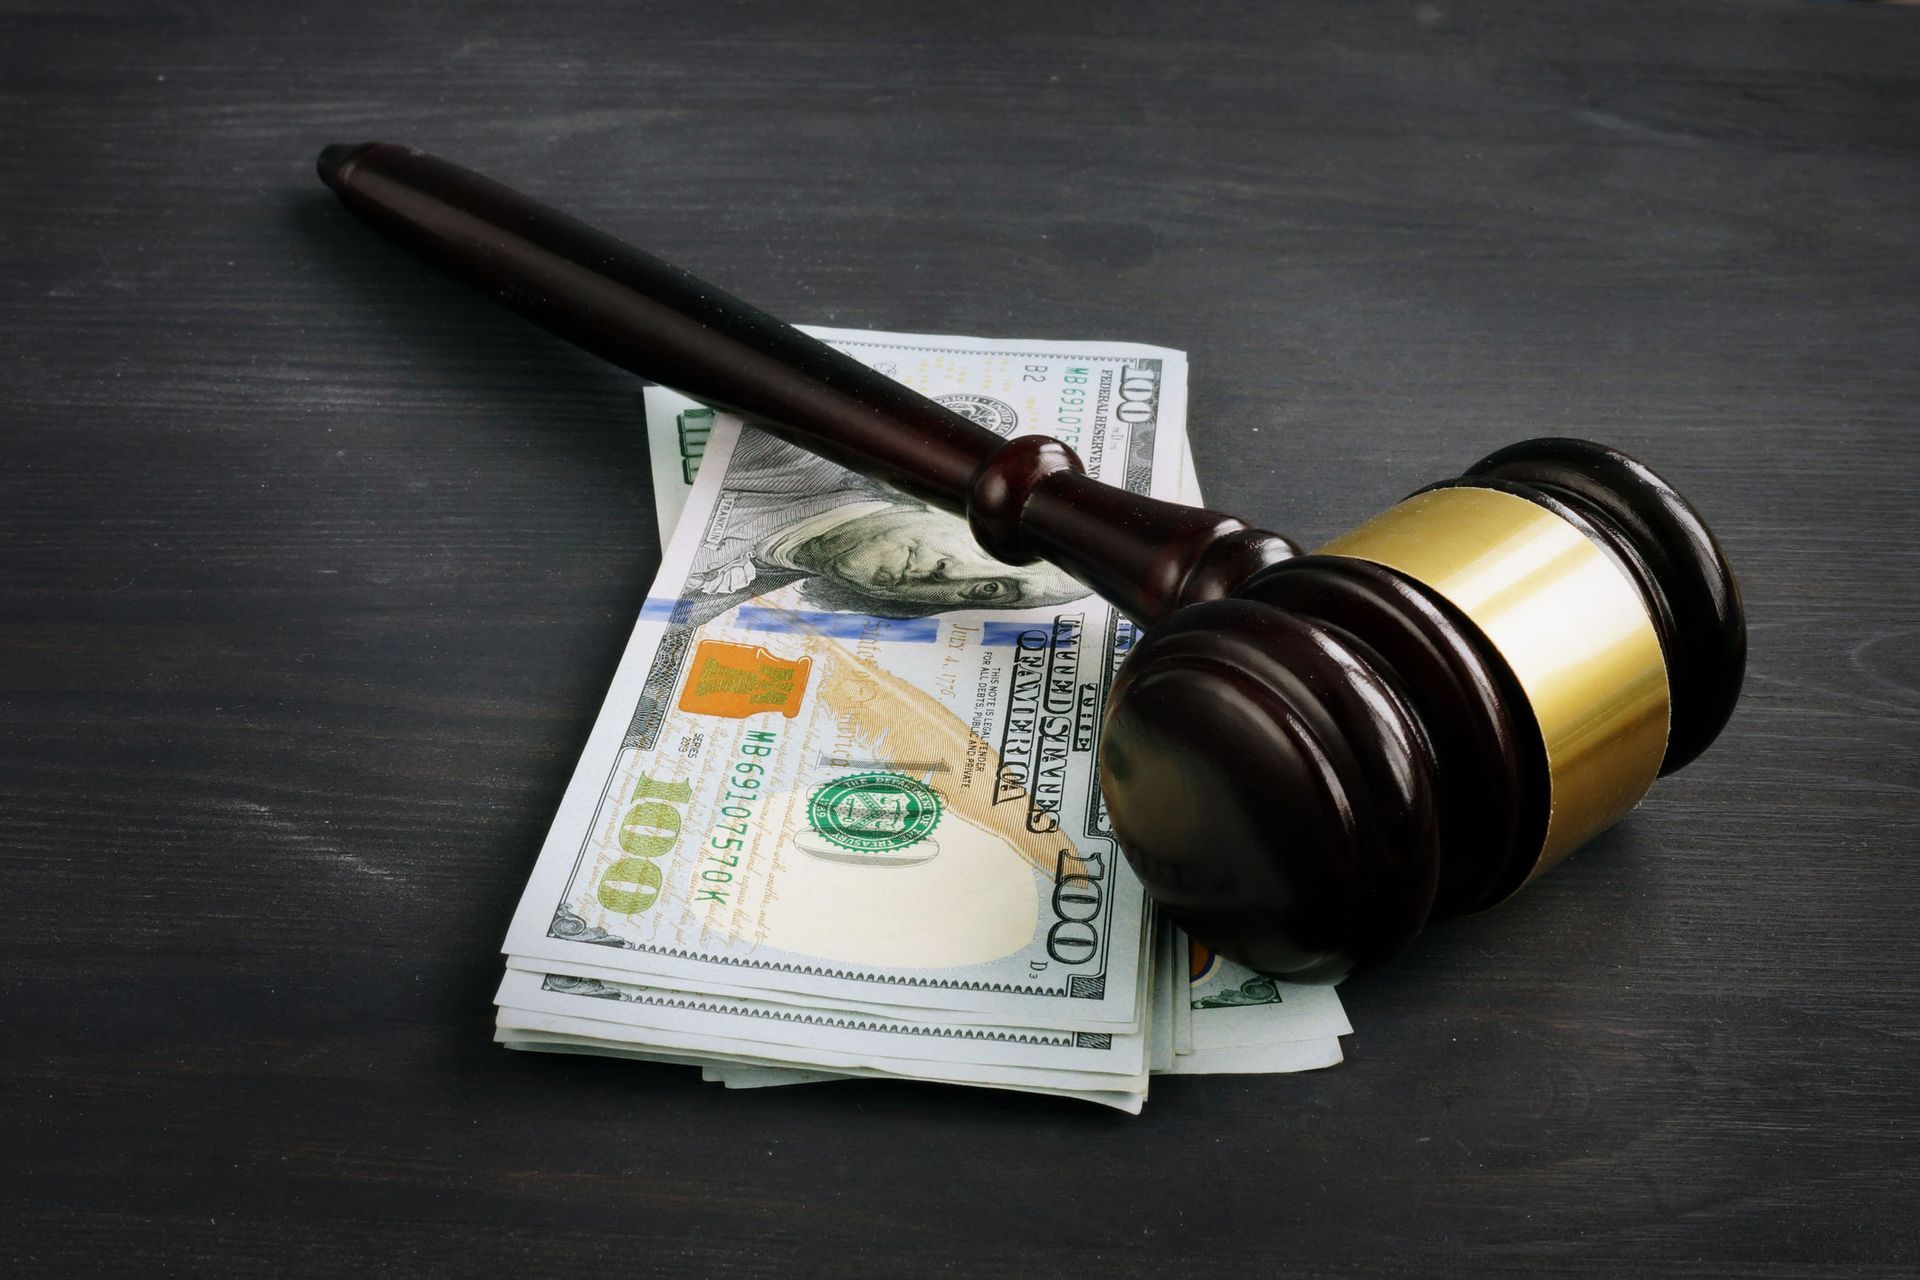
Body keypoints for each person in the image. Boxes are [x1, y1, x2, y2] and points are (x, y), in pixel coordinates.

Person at [677, 429, 1087, 626]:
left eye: (990, 590)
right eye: (993, 553)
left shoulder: (706, 608)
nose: (950, 573)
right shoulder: (788, 453)